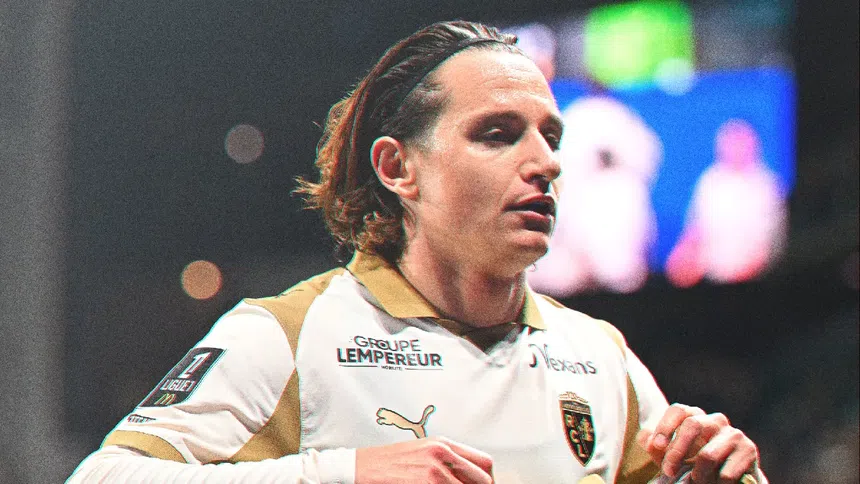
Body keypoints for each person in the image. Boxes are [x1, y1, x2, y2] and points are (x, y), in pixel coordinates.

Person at [67, 21, 767, 483]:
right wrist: (343, 474)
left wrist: (732, 474)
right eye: (498, 134)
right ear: (398, 167)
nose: (546, 163)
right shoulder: (289, 335)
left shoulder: (598, 356)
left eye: (550, 137)